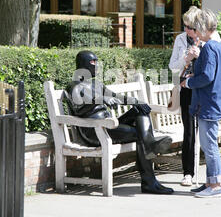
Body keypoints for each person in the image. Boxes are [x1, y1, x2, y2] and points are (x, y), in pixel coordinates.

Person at [66, 50, 174, 195]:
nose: (97, 65)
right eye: (93, 62)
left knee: (140, 111)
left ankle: (149, 144)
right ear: (83, 65)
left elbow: (117, 97)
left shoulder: (97, 84)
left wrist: (136, 102)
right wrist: (101, 99)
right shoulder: (74, 85)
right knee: (141, 135)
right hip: (95, 130)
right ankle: (149, 180)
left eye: (97, 62)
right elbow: (79, 106)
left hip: (110, 125)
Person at [180, 8, 221, 198]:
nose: (196, 33)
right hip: (216, 100)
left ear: (204, 28)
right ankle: (210, 182)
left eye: (197, 29)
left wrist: (190, 81)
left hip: (208, 102)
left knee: (209, 146)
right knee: (209, 144)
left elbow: (207, 76)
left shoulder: (209, 47)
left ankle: (215, 185)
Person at [169, 6, 202, 187]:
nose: (186, 30)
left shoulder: (207, 39)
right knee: (189, 131)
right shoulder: (180, 40)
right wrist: (186, 59)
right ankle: (188, 172)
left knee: (204, 130)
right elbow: (173, 67)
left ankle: (211, 176)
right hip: (186, 89)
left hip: (203, 90)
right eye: (185, 26)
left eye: (190, 27)